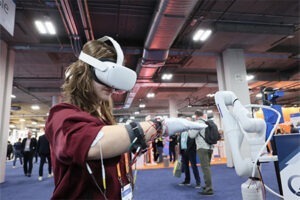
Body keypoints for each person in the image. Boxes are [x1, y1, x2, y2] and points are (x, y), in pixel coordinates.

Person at [44, 36, 207, 199]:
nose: (111, 85)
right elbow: (92, 144)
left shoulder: (102, 121)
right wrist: (159, 126)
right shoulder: (62, 115)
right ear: (86, 72)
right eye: (107, 73)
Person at [189, 110, 214, 195]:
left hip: (202, 148)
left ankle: (209, 189)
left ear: (196, 116)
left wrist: (189, 128)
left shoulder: (198, 123)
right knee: (207, 168)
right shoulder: (207, 122)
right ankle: (207, 185)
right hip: (210, 147)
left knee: (205, 168)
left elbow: (191, 135)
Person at [178, 117, 201, 188]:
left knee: (194, 166)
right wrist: (180, 150)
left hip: (191, 151)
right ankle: (187, 180)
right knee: (185, 167)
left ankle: (198, 182)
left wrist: (187, 149)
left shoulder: (192, 130)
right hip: (183, 150)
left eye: (188, 121)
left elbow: (192, 140)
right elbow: (180, 140)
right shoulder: (182, 130)